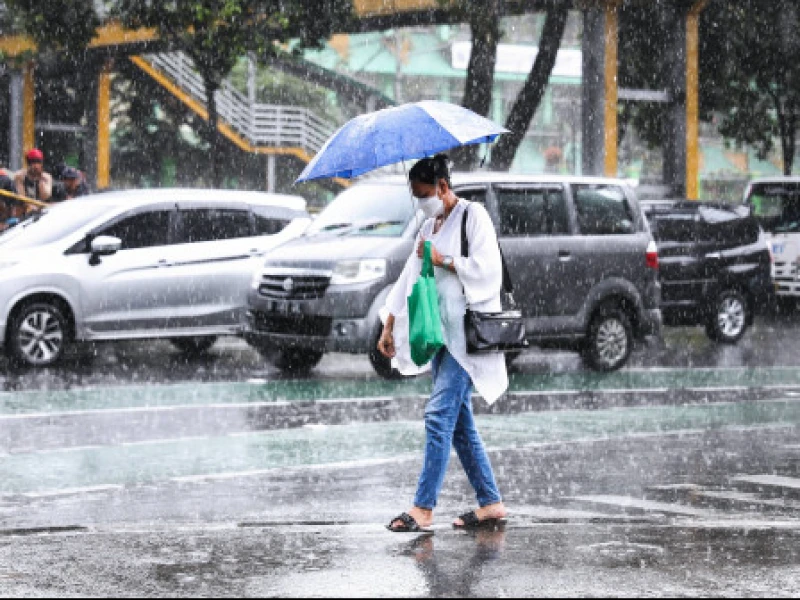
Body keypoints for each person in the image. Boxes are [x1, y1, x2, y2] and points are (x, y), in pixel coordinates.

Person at [378, 153, 508, 533]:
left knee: (438, 416)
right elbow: (408, 277)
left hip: (466, 337)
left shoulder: (473, 217)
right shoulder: (428, 227)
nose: (421, 202)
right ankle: (491, 502)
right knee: (459, 425)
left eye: (425, 194)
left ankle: (423, 508)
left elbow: (489, 270)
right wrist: (389, 324)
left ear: (443, 187)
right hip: (438, 336)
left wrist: (445, 259)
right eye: (416, 196)